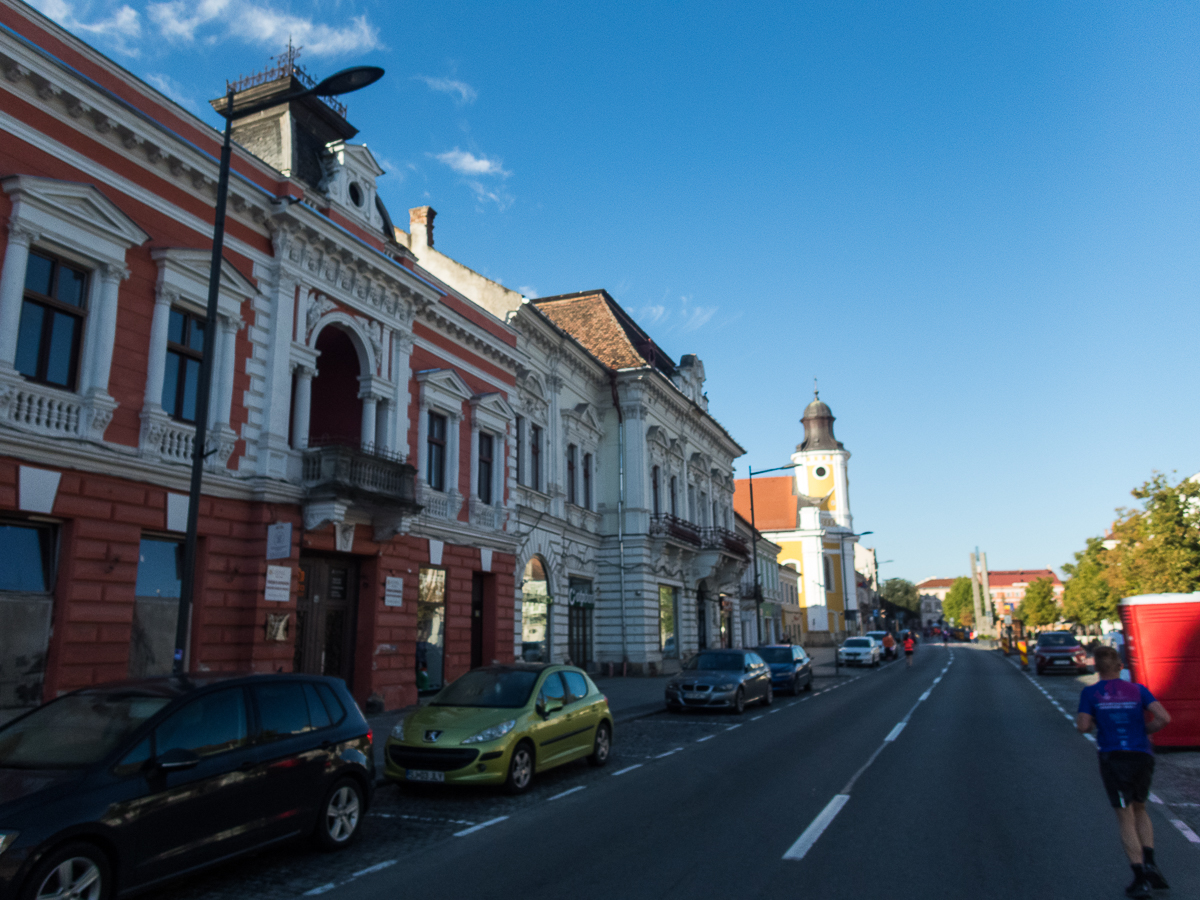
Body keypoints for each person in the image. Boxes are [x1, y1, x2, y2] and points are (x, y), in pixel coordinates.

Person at [1077, 646, 1172, 899]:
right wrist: (1143, 732)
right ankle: (1150, 861)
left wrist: (1099, 722)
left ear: (1096, 667)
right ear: (1120, 666)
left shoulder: (1090, 692)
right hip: (1141, 755)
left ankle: (1140, 877)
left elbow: (1083, 726)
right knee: (1141, 808)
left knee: (1124, 815)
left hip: (1114, 757)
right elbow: (1164, 718)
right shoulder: (1138, 690)